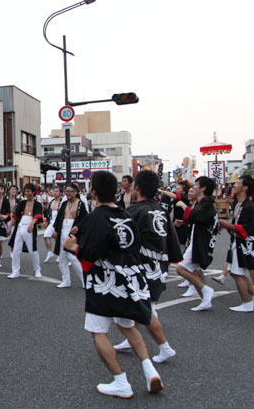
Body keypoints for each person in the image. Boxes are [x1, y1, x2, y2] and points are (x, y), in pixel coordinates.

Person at [69, 170, 162, 398]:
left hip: (104, 283)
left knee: (98, 331)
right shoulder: (126, 215)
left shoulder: (95, 218)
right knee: (128, 326)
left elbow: (89, 256)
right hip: (129, 280)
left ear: (93, 192)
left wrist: (73, 248)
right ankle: (150, 370)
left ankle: (121, 381)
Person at [111, 170, 181, 363]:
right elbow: (173, 247)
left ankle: (165, 348)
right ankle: (131, 339)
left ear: (138, 188)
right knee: (137, 305)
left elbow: (121, 242)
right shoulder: (162, 211)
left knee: (146, 309)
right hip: (158, 266)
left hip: (140, 269)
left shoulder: (135, 212)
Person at [218, 176, 254, 312]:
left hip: (245, 244)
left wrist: (225, 224)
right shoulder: (239, 204)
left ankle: (246, 303)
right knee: (234, 271)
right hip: (239, 242)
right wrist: (227, 225)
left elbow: (246, 229)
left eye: (237, 183)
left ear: (245, 188)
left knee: (238, 273)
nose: (234, 185)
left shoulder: (248, 207)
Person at [174, 176, 220, 311]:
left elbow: (196, 215)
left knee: (180, 268)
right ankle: (205, 299)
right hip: (197, 240)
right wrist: (183, 221)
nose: (193, 188)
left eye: (196, 185)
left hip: (199, 242)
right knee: (196, 271)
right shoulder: (203, 203)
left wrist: (183, 205)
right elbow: (198, 218)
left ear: (203, 188)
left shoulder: (206, 203)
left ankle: (206, 290)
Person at [52, 183, 89, 288]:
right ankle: (66, 280)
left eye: (70, 191)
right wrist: (56, 231)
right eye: (66, 191)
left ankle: (84, 280)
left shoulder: (80, 204)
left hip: (73, 233)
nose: (67, 193)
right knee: (62, 258)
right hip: (63, 230)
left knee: (73, 258)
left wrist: (78, 226)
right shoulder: (64, 203)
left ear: (76, 192)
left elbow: (85, 219)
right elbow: (59, 218)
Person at [7, 183, 43, 279]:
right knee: (16, 250)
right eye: (25, 191)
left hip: (29, 227)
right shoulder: (22, 203)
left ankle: (37, 269)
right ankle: (15, 271)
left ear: (33, 192)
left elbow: (37, 216)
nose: (26, 193)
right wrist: (10, 227)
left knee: (32, 250)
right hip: (20, 226)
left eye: (28, 191)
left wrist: (32, 224)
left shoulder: (38, 204)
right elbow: (15, 216)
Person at [43, 186, 64, 263]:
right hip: (52, 222)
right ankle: (49, 252)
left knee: (59, 239)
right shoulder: (51, 201)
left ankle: (60, 254)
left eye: (57, 191)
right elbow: (48, 213)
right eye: (54, 191)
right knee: (46, 235)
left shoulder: (63, 201)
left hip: (60, 222)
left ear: (61, 193)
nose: (55, 192)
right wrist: (46, 221)